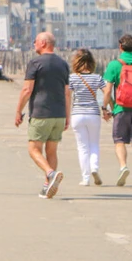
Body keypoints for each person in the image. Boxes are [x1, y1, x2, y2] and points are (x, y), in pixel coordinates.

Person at [14, 31, 70, 199]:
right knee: (51, 151)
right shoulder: (63, 64)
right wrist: (68, 116)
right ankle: (47, 186)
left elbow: (27, 89)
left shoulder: (35, 63)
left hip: (41, 113)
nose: (34, 44)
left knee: (33, 149)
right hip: (59, 114)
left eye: (36, 41)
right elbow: (67, 93)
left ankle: (50, 174)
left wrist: (18, 110)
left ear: (44, 43)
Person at [68, 48, 106, 186]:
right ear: (92, 62)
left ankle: (85, 178)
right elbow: (107, 92)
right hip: (93, 114)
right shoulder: (97, 78)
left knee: (82, 147)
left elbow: (67, 95)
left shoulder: (72, 78)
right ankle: (94, 168)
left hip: (77, 114)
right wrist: (106, 107)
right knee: (94, 144)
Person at [102, 34, 132, 187]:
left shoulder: (115, 65)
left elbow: (107, 91)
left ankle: (123, 166)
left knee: (120, 141)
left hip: (121, 108)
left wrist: (105, 108)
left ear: (120, 47)